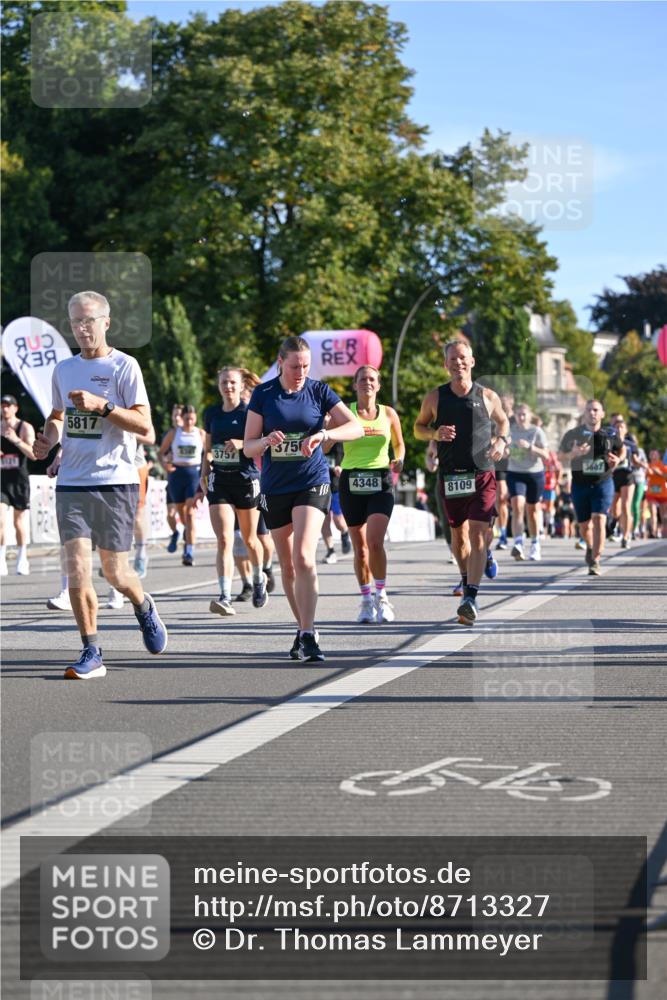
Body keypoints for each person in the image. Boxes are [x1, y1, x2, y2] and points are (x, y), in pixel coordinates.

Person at [33, 290, 167, 678]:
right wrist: (49, 438)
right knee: (76, 569)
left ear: (106, 322)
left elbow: (146, 427)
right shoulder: (63, 369)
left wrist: (103, 406)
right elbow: (57, 415)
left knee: (116, 574)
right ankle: (91, 651)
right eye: (76, 321)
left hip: (116, 481)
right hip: (73, 482)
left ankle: (143, 605)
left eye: (89, 320)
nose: (82, 328)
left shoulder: (125, 367)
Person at [244, 335, 363, 661]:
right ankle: (303, 629)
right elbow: (248, 446)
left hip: (312, 482)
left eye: (306, 366)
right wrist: (266, 440)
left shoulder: (318, 391)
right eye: (295, 366)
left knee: (304, 557)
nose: (300, 372)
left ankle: (309, 635)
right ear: (280, 362)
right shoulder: (263, 394)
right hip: (275, 486)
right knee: (288, 566)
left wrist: (326, 434)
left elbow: (355, 428)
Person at [414, 340, 509, 625]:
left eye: (463, 358)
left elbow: (503, 422)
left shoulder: (488, 396)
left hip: (482, 473)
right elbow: (418, 429)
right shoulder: (435, 397)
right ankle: (467, 577)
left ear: (472, 361)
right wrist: (434, 434)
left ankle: (470, 596)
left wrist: (501, 441)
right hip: (452, 476)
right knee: (459, 537)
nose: (458, 364)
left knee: (479, 534)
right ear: (446, 365)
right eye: (453, 360)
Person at [337, 365, 405, 624]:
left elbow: (398, 443)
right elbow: (330, 439)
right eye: (362, 379)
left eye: (372, 379)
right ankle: (366, 600)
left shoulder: (388, 414)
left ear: (378, 385)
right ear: (355, 385)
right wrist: (326, 437)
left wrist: (399, 459)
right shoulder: (346, 412)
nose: (367, 382)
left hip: (380, 479)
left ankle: (382, 596)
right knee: (361, 549)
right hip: (351, 479)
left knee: (375, 541)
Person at [201, 366, 267, 615]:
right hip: (220, 479)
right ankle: (225, 595)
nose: (228, 387)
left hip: (246, 479)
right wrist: (203, 474)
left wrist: (242, 444)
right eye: (224, 383)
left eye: (232, 383)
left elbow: (263, 444)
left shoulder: (250, 411)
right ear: (219, 386)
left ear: (241, 386)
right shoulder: (212, 413)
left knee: (250, 539)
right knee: (225, 539)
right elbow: (207, 448)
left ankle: (259, 579)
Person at [557, 400, 624, 576]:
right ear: (584, 414)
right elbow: (559, 456)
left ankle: (595, 560)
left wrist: (619, 460)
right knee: (584, 526)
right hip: (580, 484)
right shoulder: (573, 434)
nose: (592, 413)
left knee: (599, 519)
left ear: (602, 413)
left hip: (603, 482)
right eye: (589, 410)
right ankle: (590, 545)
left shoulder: (610, 433)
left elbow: (622, 450)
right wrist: (574, 454)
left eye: (596, 410)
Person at [158, 404, 205, 566]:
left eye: (192, 419)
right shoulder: (174, 433)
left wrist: (206, 474)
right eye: (187, 419)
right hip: (177, 475)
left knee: (190, 514)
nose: (189, 422)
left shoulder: (201, 433)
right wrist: (165, 466)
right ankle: (186, 534)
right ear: (182, 418)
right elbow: (160, 452)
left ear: (196, 418)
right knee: (182, 514)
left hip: (194, 474)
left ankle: (189, 551)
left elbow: (208, 453)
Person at [507, 403, 550, 562]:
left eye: (524, 414)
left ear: (530, 416)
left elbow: (546, 455)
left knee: (532, 511)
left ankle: (535, 544)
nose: (521, 417)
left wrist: (530, 447)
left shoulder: (537, 431)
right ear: (515, 416)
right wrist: (506, 452)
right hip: (515, 473)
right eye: (519, 414)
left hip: (534, 474)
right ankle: (518, 543)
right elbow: (504, 452)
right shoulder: (510, 431)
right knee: (517, 505)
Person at [1, 394, 36, 575]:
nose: (5, 409)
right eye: (2, 405)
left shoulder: (24, 427)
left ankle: (22, 558)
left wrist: (16, 440)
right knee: (0, 520)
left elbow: (33, 454)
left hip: (19, 480)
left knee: (18, 522)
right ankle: (1, 558)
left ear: (15, 408)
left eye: (8, 405)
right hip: (2, 481)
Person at [607, 415, 637, 548]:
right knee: (614, 508)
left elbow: (635, 460)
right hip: (614, 477)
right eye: (617, 427)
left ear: (626, 430)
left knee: (626, 506)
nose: (619, 429)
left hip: (627, 476)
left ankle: (626, 536)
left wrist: (643, 466)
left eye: (621, 427)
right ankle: (616, 522)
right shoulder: (610, 444)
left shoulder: (631, 445)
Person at [320, 440, 352, 564]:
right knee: (324, 521)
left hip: (336, 486)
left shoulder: (339, 440)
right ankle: (331, 551)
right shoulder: (315, 435)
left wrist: (341, 467)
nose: (326, 419)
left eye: (329, 418)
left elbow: (348, 457)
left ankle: (344, 532)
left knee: (338, 521)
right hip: (320, 485)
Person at [160, 404, 184, 553]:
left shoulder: (192, 434)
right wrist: (166, 462)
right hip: (173, 478)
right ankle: (175, 533)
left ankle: (189, 545)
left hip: (189, 479)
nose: (176, 418)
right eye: (174, 415)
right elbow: (161, 454)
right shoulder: (169, 434)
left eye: (179, 415)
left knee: (186, 514)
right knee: (170, 514)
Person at [493, 392, 515, 550]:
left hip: (517, 464)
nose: (503, 404)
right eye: (501, 402)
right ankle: (502, 534)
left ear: (512, 403)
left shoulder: (518, 420)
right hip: (499, 462)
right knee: (500, 498)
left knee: (516, 501)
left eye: (506, 402)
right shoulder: (495, 420)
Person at [628, 433, 648, 539]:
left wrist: (637, 462)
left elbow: (645, 465)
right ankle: (627, 530)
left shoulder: (640, 451)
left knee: (636, 505)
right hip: (628, 480)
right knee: (628, 505)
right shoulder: (625, 449)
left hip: (639, 480)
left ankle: (635, 528)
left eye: (634, 440)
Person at [646, 450, 667, 538]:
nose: (653, 456)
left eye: (655, 454)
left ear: (659, 456)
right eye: (651, 454)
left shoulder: (663, 465)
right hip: (651, 493)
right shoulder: (648, 466)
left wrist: (658, 472)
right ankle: (653, 532)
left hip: (663, 493)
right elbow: (646, 476)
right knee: (653, 512)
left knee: (663, 514)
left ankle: (664, 531)